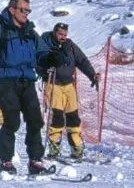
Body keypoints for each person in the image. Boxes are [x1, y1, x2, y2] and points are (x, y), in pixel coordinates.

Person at [0, 0, 49, 176]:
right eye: (23, 10)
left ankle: (35, 161)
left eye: (28, 11)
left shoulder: (30, 31)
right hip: (7, 80)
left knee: (35, 120)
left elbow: (42, 52)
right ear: (12, 10)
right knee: (12, 121)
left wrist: (50, 58)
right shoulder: (0, 28)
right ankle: (6, 161)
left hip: (28, 80)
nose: (26, 14)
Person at [37, 22, 99, 160]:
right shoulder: (45, 43)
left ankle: (76, 148)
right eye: (60, 34)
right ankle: (54, 147)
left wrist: (92, 75)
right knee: (58, 117)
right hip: (53, 83)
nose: (63, 37)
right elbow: (37, 61)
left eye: (65, 34)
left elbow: (82, 60)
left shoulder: (70, 45)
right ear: (54, 32)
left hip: (68, 84)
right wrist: (44, 70)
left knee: (73, 117)